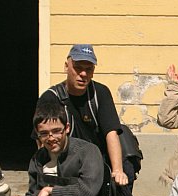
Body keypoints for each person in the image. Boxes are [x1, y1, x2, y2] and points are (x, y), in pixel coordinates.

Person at [37, 44, 129, 186]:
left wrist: (117, 170)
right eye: (78, 68)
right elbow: (42, 139)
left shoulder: (100, 93)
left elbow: (111, 132)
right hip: (65, 161)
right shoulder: (50, 98)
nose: (83, 74)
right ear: (66, 67)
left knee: (126, 173)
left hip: (97, 160)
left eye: (89, 69)